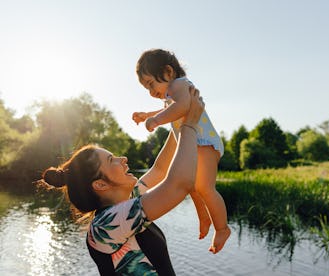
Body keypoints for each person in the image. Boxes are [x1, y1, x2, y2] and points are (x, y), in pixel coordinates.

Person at [38, 87, 204, 275]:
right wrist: (190, 125)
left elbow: (159, 170)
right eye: (112, 160)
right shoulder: (106, 224)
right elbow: (179, 184)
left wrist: (179, 119)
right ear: (100, 184)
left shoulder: (127, 200)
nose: (123, 158)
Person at [132, 48, 230, 254]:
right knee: (192, 186)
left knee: (205, 187)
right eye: (146, 88)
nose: (151, 92)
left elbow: (183, 106)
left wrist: (156, 121)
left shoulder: (180, 85)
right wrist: (147, 114)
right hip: (197, 143)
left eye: (151, 84)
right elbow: (171, 107)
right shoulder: (173, 93)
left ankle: (222, 228)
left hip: (204, 143)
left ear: (168, 72)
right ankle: (204, 217)